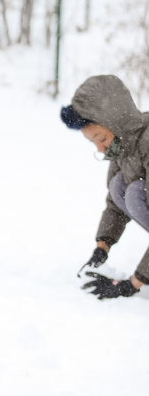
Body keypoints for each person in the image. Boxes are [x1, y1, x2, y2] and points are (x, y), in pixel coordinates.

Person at [61, 74, 149, 300]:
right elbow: (114, 204)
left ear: (117, 124)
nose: (100, 149)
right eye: (94, 142)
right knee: (119, 186)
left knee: (136, 193)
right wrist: (103, 246)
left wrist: (133, 283)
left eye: (101, 138)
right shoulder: (122, 147)